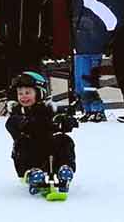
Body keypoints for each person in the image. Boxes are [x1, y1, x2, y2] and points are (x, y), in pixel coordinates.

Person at [5, 70, 77, 198]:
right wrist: (21, 123)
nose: (23, 96)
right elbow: (11, 125)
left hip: (49, 150)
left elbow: (59, 119)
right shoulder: (17, 113)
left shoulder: (48, 110)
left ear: (39, 93)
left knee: (64, 140)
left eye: (28, 93)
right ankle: (31, 173)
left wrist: (65, 121)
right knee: (22, 143)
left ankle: (64, 169)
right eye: (20, 93)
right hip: (30, 152)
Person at [0, 0, 53, 83]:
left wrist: (46, 41)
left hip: (34, 48)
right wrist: (1, 38)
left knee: (33, 79)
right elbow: (1, 18)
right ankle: (13, 101)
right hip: (12, 47)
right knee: (14, 80)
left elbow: (48, 20)